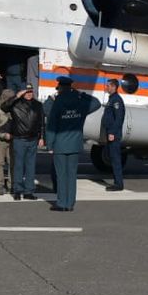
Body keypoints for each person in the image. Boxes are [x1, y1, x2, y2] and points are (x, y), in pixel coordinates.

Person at [44, 76, 101, 211]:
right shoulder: (81, 102)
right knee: (71, 175)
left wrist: (50, 144)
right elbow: (96, 103)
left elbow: (52, 124)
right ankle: (70, 204)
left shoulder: (58, 102)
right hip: (75, 144)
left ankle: (62, 203)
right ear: (71, 87)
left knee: (61, 175)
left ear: (60, 87)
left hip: (60, 144)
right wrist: (82, 94)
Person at [2, 84, 44, 201]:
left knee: (31, 167)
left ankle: (29, 191)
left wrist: (41, 137)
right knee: (18, 166)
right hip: (19, 139)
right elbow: (3, 107)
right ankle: (17, 190)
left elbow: (41, 122)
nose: (29, 93)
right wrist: (16, 96)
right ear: (22, 92)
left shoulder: (38, 105)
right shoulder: (15, 103)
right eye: (26, 91)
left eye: (30, 91)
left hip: (33, 139)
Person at [101, 77, 126, 191]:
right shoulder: (112, 99)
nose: (106, 87)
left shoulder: (116, 100)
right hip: (110, 133)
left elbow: (119, 118)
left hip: (113, 134)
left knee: (115, 158)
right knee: (113, 158)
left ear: (114, 87)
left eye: (108, 85)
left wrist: (112, 132)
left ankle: (118, 184)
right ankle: (117, 182)